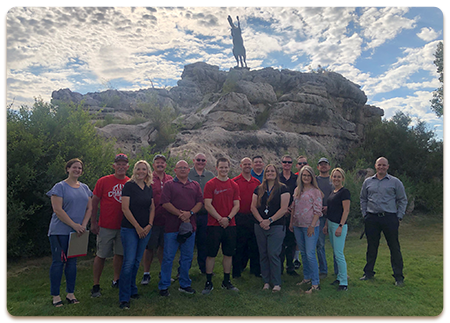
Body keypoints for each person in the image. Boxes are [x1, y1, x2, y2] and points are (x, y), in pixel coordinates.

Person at [46, 158, 92, 307]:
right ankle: (56, 296)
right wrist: (74, 224)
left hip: (77, 233)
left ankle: (70, 294)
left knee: (72, 263)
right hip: (59, 231)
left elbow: (89, 208)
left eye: (79, 168)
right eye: (74, 167)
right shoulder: (59, 187)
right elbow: (57, 210)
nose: (77, 170)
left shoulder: (85, 188)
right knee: (58, 262)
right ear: (68, 169)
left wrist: (83, 226)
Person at [158, 160, 204, 296]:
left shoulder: (195, 185)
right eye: (180, 168)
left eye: (185, 167)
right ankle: (164, 285)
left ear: (189, 170)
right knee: (168, 257)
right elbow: (165, 203)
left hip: (190, 227)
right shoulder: (169, 185)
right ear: (175, 170)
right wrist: (180, 214)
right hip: (172, 227)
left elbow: (200, 202)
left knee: (187, 257)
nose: (183, 170)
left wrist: (189, 214)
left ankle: (184, 283)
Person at [360, 157, 407, 286]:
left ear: (387, 166)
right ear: (375, 166)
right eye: (379, 165)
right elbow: (363, 199)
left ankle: (398, 277)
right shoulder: (368, 182)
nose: (381, 167)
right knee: (371, 247)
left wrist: (399, 216)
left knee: (394, 247)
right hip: (372, 218)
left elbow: (402, 200)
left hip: (389, 217)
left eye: (384, 165)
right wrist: (365, 214)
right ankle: (368, 273)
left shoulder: (395, 182)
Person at [90, 153, 130, 298]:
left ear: (127, 166)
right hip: (105, 225)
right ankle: (96, 285)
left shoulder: (130, 182)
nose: (121, 166)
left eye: (123, 164)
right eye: (118, 164)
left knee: (119, 254)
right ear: (113, 166)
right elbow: (94, 202)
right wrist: (93, 221)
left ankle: (116, 279)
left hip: (124, 226)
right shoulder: (103, 181)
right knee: (101, 255)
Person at [119, 160, 155, 309]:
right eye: (139, 169)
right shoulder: (129, 186)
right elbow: (125, 209)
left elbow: (152, 208)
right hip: (130, 229)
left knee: (136, 261)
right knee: (128, 262)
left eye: (144, 169)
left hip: (146, 229)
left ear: (148, 172)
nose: (141, 172)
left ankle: (133, 289)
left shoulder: (148, 187)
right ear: (134, 171)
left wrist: (149, 225)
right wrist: (138, 227)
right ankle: (124, 297)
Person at [202, 157, 240, 295]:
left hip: (230, 224)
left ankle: (226, 281)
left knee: (228, 254)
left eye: (226, 167)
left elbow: (237, 205)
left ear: (229, 168)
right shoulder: (210, 184)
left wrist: (228, 218)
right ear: (216, 168)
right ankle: (208, 282)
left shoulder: (234, 185)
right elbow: (207, 204)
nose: (224, 170)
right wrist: (219, 218)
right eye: (221, 167)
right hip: (214, 224)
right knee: (211, 254)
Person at [251, 164, 290, 292]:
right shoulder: (259, 189)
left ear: (276, 173)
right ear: (264, 174)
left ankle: (277, 283)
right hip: (260, 226)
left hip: (276, 226)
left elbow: (284, 209)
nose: (270, 173)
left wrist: (270, 220)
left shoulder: (283, 189)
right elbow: (253, 207)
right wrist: (262, 221)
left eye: (272, 171)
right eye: (267, 171)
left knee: (273, 253)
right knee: (263, 254)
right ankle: (266, 282)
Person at [141, 154, 173, 285]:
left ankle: (163, 272)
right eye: (157, 163)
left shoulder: (170, 179)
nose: (160, 164)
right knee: (149, 248)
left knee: (163, 247)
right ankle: (146, 273)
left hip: (167, 219)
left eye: (163, 163)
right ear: (153, 165)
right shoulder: (148, 179)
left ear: (166, 165)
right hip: (152, 220)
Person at [290, 165, 323, 293]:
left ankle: (315, 283)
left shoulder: (315, 191)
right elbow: (294, 207)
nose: (306, 177)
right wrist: (292, 223)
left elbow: (317, 210)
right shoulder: (298, 190)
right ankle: (307, 277)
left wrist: (312, 225)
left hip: (310, 226)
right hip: (298, 225)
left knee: (310, 254)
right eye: (304, 175)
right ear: (301, 176)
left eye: (308, 175)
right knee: (303, 253)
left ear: (312, 177)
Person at [232, 157, 261, 278]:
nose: (247, 166)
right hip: (240, 216)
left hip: (253, 216)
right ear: (241, 166)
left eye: (249, 164)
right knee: (239, 245)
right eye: (245, 164)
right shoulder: (234, 182)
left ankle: (255, 270)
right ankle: (237, 270)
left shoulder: (257, 183)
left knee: (254, 245)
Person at [323, 168, 350, 291]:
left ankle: (344, 282)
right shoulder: (333, 191)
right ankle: (339, 277)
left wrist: (340, 226)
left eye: (339, 177)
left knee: (339, 254)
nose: (336, 179)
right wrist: (326, 225)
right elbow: (331, 210)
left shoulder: (344, 192)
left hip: (340, 225)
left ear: (343, 178)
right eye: (334, 176)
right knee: (335, 252)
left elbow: (346, 210)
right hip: (331, 224)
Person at [188, 153, 215, 274]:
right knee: (187, 244)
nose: (200, 162)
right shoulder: (187, 173)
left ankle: (204, 268)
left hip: (205, 214)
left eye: (203, 160)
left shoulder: (210, 175)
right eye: (198, 160)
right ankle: (183, 270)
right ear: (194, 160)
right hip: (189, 215)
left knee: (204, 243)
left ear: (206, 161)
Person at [279, 155, 299, 276]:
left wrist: (291, 207)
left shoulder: (296, 178)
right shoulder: (278, 177)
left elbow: (299, 194)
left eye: (289, 162)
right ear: (281, 163)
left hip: (293, 214)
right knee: (279, 242)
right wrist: (283, 209)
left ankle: (290, 266)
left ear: (292, 164)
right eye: (284, 162)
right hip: (280, 214)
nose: (287, 164)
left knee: (291, 242)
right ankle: (279, 266)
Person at [316, 157, 333, 279]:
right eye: (321, 164)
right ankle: (323, 270)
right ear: (318, 167)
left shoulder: (334, 179)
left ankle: (339, 271)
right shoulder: (314, 180)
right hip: (319, 216)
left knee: (336, 246)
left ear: (329, 166)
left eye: (325, 164)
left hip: (333, 216)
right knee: (320, 244)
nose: (323, 166)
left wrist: (329, 207)